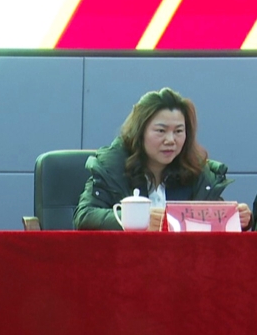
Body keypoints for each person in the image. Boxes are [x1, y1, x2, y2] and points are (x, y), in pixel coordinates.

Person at [74, 87, 252, 231]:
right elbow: (84, 216)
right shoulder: (112, 167)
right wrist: (134, 219)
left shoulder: (199, 173)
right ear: (140, 132)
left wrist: (239, 219)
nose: (170, 140)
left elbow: (213, 221)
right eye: (161, 131)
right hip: (125, 260)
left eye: (178, 131)